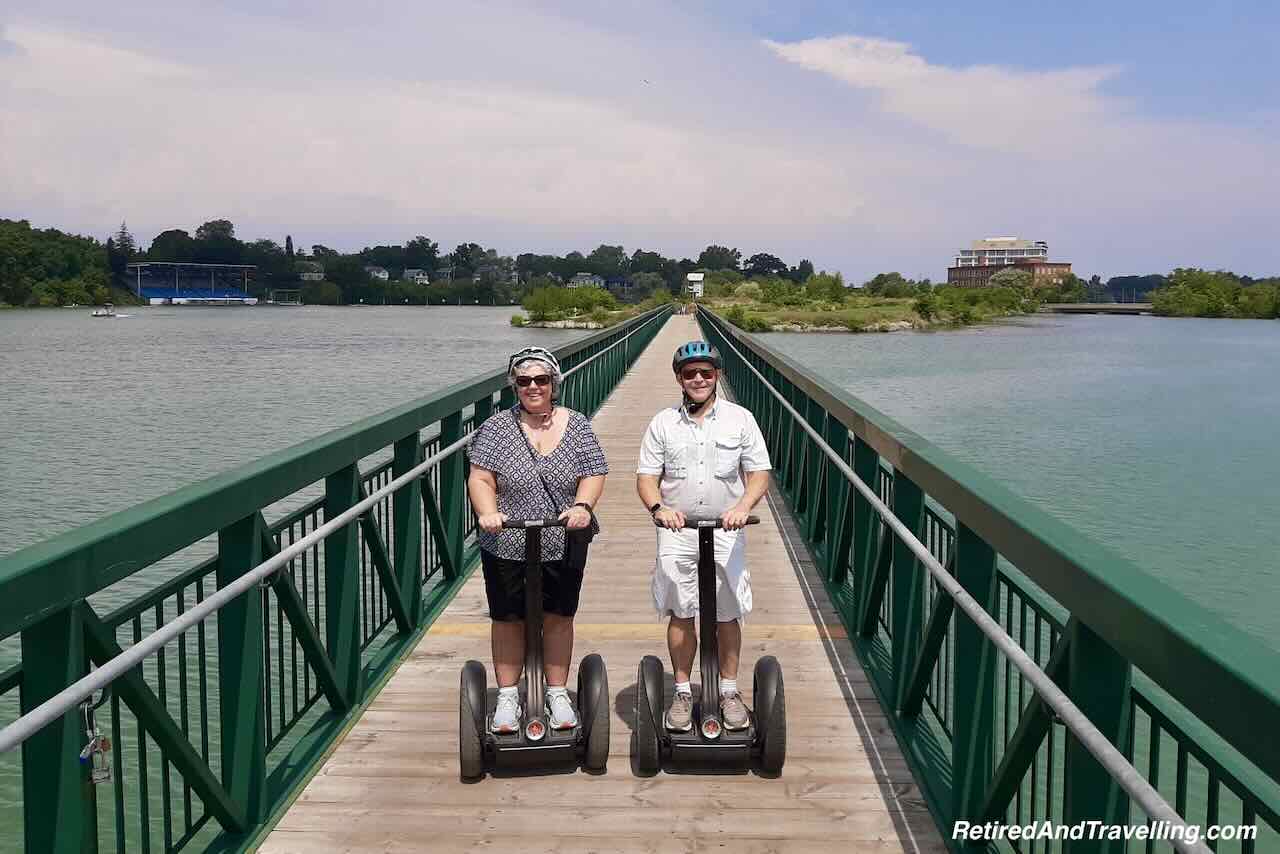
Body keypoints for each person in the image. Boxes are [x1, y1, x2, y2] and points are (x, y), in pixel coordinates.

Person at [467, 346, 608, 733]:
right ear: (514, 384)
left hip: (565, 537)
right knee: (508, 617)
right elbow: (480, 478)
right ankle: (508, 697)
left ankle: (557, 692)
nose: (533, 387)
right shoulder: (496, 428)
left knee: (559, 617)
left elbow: (594, 471)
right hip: (506, 539)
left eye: (541, 380)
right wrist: (487, 512)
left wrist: (582, 505)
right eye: (524, 380)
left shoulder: (576, 425)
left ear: (554, 384)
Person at [635, 341, 771, 732]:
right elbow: (646, 477)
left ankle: (728, 691)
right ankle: (681, 690)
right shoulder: (663, 423)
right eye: (690, 373)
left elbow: (759, 472)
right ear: (679, 378)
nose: (698, 379)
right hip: (678, 529)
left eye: (706, 373)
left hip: (726, 528)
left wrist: (743, 507)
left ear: (717, 376)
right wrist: (659, 509)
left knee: (727, 611)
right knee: (681, 610)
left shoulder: (740, 419)